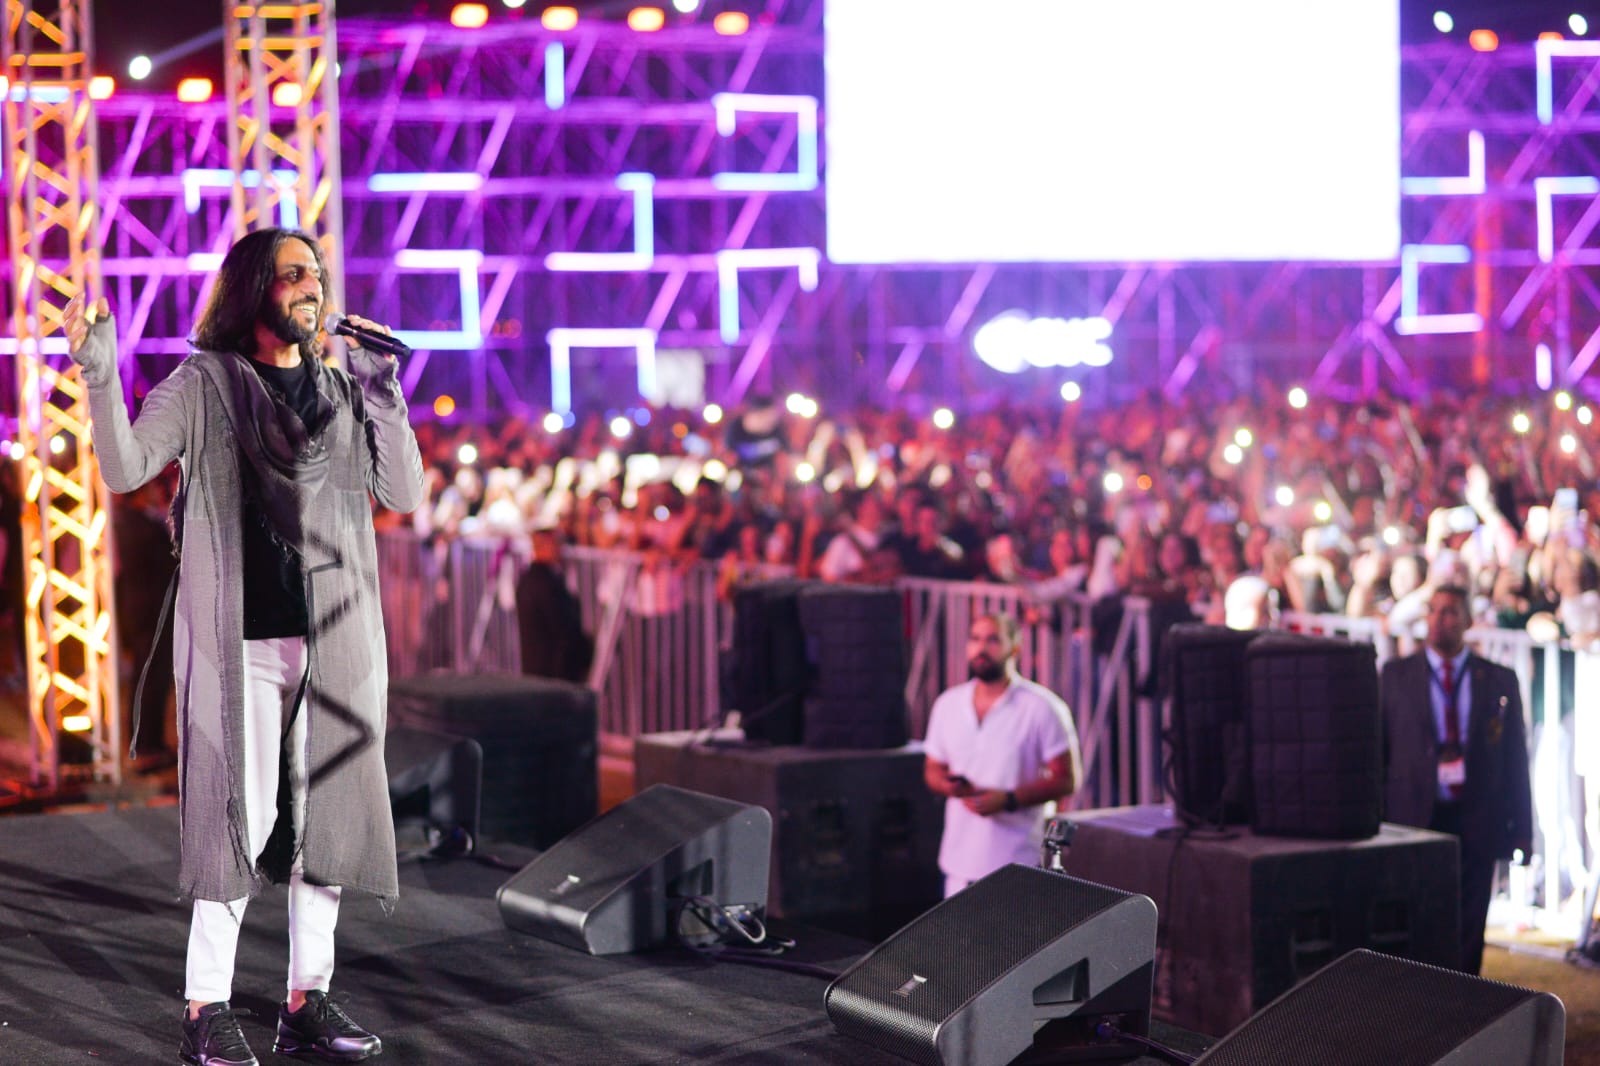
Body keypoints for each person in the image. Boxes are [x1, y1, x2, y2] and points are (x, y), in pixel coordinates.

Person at [64, 226, 426, 1066]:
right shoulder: (203, 385)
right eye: (294, 273)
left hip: (335, 644)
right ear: (254, 288)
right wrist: (98, 370)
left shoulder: (343, 391)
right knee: (243, 817)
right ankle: (206, 1008)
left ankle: (307, 998)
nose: (313, 286)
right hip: (242, 648)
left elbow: (404, 491)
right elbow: (124, 468)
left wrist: (385, 389)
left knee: (326, 817)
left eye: (317, 274)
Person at [1380, 583, 1532, 974]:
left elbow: (1515, 760)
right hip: (1414, 817)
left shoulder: (1498, 680)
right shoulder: (1396, 676)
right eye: (1433, 610)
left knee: (1469, 924)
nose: (1439, 620)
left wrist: (1522, 830)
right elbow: (1379, 752)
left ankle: (1465, 999)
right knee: (1417, 919)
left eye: (1449, 612)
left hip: (1476, 815)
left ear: (1467, 621)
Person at [923, 613, 1083, 897]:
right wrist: (949, 786)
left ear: (1015, 648)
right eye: (975, 639)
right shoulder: (948, 704)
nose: (981, 648)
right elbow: (933, 768)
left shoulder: (1042, 707)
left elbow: (1067, 780)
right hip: (958, 864)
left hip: (1019, 862)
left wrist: (1008, 799)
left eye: (993, 640)